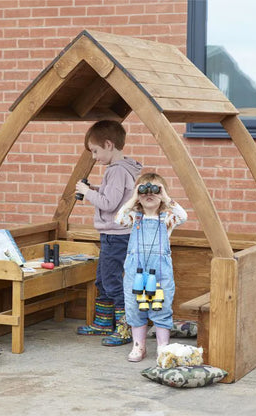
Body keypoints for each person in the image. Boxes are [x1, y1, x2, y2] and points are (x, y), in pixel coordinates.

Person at [75, 120, 142, 346]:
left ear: (108, 144)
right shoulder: (125, 169)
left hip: (116, 235)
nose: (94, 157)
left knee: (112, 282)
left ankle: (125, 328)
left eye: (95, 151)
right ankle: (104, 322)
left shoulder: (117, 171)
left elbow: (109, 204)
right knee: (103, 280)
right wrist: (94, 189)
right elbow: (115, 197)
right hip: (114, 235)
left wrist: (86, 192)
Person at [114, 172, 187, 362]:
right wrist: (132, 198)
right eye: (144, 190)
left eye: (155, 190)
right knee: (134, 307)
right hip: (135, 272)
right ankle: (139, 346)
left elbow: (183, 216)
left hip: (160, 273)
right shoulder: (133, 217)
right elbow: (118, 219)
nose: (149, 194)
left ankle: (163, 348)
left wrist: (166, 197)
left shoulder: (167, 218)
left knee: (161, 307)